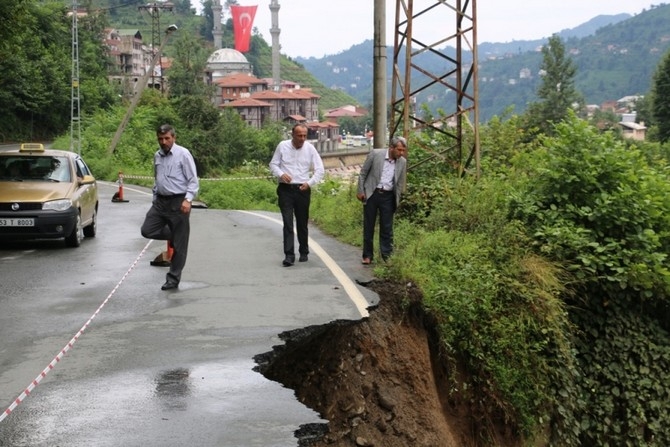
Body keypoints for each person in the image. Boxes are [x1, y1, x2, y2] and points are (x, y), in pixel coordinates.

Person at [141, 124, 199, 290]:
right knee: (147, 230)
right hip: (160, 202)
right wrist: (154, 197)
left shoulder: (183, 154)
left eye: (167, 138)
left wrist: (188, 200)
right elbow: (156, 178)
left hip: (178, 202)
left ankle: (173, 279)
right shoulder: (157, 156)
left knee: (180, 246)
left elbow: (193, 180)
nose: (164, 142)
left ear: (173, 137)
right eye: (160, 139)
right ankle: (174, 235)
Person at [269, 123, 325, 267]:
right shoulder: (282, 146)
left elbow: (320, 169)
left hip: (302, 189)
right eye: (299, 135)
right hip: (285, 189)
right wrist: (281, 174)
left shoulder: (310, 149)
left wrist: (310, 183)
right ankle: (289, 255)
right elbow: (273, 164)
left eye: (304, 136)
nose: (302, 138)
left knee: (302, 222)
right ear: (292, 135)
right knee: (287, 223)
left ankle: (304, 250)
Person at [356, 136, 408, 264]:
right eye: (399, 150)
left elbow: (400, 182)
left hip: (388, 196)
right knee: (369, 225)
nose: (401, 153)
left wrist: (397, 198)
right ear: (391, 148)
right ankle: (367, 255)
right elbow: (363, 173)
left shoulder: (402, 162)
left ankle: (387, 256)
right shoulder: (376, 154)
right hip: (372, 193)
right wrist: (360, 191)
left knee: (387, 227)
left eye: (403, 151)